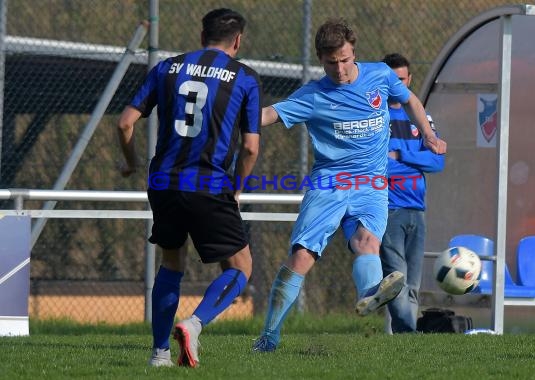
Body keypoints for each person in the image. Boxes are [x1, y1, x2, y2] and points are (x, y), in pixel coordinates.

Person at [252, 19, 446, 352]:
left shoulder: (381, 76)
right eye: (331, 63)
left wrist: (428, 135)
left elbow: (411, 100)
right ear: (320, 59)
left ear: (354, 52)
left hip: (372, 183)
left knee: (367, 241)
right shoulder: (313, 95)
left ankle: (370, 293)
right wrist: (230, 119)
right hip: (329, 183)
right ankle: (268, 337)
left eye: (344, 60)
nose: (339, 69)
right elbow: (270, 113)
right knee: (301, 257)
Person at [117, 8, 261, 367]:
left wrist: (132, 163)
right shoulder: (244, 78)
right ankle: (194, 324)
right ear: (238, 41)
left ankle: (159, 354)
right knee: (241, 267)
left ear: (201, 37)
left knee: (172, 261)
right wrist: (237, 189)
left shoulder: (166, 68)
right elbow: (250, 147)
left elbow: (124, 124)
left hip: (163, 181)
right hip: (210, 183)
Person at [380, 53, 445, 333]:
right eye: (392, 80)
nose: (398, 85)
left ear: (410, 80)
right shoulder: (375, 117)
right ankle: (407, 334)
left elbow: (437, 161)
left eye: (402, 80)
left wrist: (400, 153)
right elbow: (379, 166)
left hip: (417, 209)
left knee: (414, 284)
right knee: (397, 278)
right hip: (389, 206)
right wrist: (412, 161)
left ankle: (406, 339)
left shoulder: (421, 117)